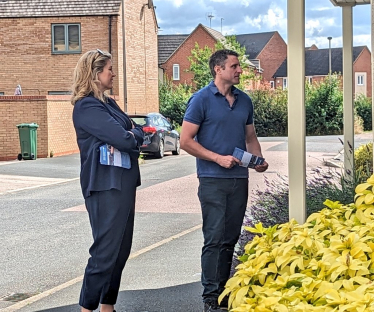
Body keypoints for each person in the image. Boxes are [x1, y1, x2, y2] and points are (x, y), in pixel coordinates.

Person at [180, 49, 269, 312]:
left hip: (239, 178)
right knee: (214, 238)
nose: (240, 70)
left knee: (230, 237)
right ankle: (210, 297)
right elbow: (186, 141)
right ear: (218, 69)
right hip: (212, 179)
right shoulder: (201, 100)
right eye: (235, 66)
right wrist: (217, 158)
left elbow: (250, 136)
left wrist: (258, 159)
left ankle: (223, 293)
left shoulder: (245, 101)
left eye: (239, 67)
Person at [71, 49, 144, 312]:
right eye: (109, 69)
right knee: (105, 251)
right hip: (103, 185)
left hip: (123, 183)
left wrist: (132, 134)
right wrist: (131, 135)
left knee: (121, 251)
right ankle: (87, 308)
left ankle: (107, 306)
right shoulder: (87, 107)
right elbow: (126, 137)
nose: (113, 73)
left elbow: (136, 130)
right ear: (95, 73)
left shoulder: (108, 103)